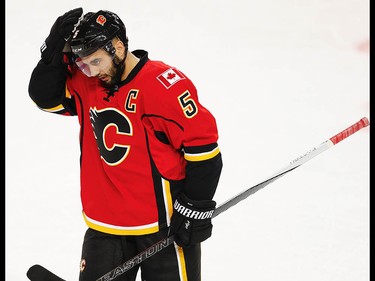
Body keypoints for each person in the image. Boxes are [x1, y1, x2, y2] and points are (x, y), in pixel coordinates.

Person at [28, 7, 223, 281]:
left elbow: (204, 150)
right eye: (83, 64)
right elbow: (44, 97)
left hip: (163, 227)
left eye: (96, 62)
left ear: (118, 47)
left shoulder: (161, 86)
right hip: (104, 226)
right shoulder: (87, 82)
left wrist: (195, 207)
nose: (90, 71)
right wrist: (50, 57)